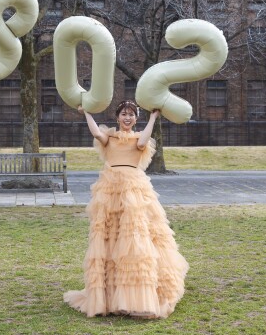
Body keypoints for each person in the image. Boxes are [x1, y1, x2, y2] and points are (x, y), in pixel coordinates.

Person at [64, 100, 189, 319]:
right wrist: (86, 114)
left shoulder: (139, 138)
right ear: (117, 117)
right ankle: (110, 296)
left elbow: (142, 143)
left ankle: (138, 295)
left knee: (135, 237)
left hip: (133, 190)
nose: (127, 117)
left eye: (131, 114)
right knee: (111, 236)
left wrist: (153, 117)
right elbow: (96, 133)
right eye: (124, 114)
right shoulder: (109, 137)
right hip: (110, 190)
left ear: (135, 118)